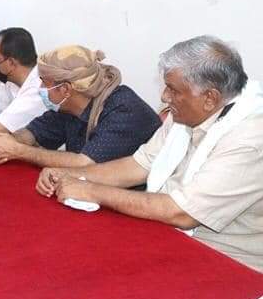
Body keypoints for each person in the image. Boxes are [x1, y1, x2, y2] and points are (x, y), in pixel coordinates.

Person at [37, 36, 263, 272]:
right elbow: (138, 165)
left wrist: (91, 190)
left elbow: (182, 213)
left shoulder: (249, 139)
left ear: (210, 98)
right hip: (169, 235)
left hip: (229, 264)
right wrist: (70, 174)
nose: (164, 97)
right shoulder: (189, 113)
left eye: (173, 90)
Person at [0, 45, 160, 168]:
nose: (40, 88)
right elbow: (33, 133)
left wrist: (19, 151)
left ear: (65, 89)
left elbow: (85, 163)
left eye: (44, 82)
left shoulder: (123, 109)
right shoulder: (67, 106)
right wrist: (4, 141)